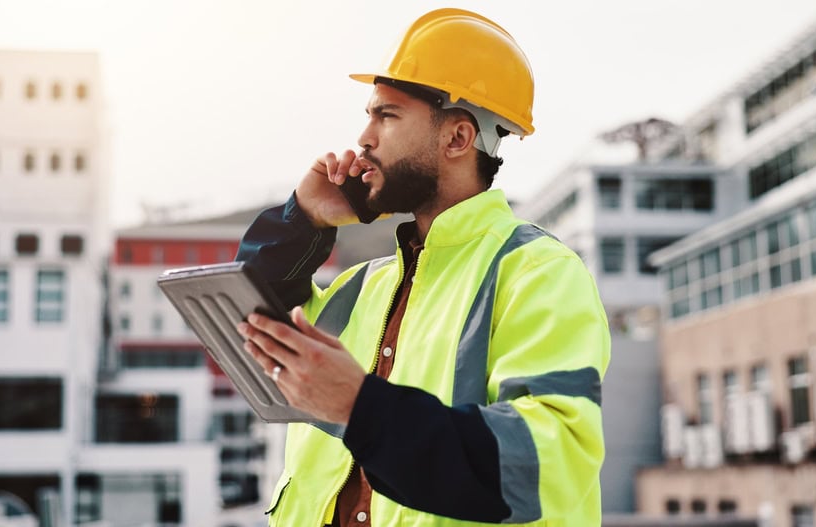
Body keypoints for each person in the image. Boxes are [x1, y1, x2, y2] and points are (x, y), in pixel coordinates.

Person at [234, 8, 610, 526]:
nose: (364, 137)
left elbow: (545, 467)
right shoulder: (357, 288)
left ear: (456, 138)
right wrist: (304, 219)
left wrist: (362, 408)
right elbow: (244, 322)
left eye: (386, 115)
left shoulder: (537, 273)